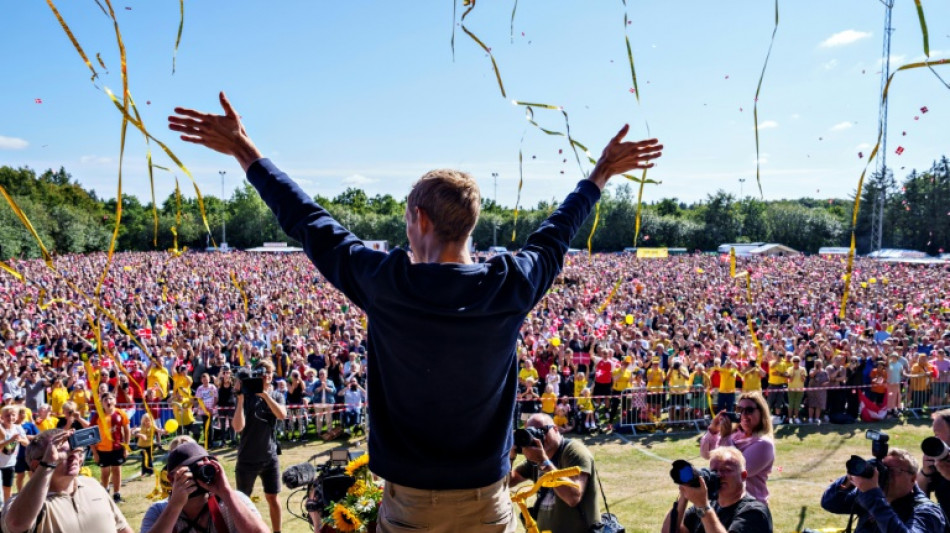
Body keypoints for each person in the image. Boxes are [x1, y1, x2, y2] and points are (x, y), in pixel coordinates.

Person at [169, 92, 661, 532]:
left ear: (420, 219)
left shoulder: (389, 284)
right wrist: (599, 174)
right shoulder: (510, 283)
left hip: (411, 509)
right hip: (489, 503)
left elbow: (309, 222)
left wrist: (245, 150)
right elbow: (557, 231)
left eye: (407, 217)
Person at [1, 428, 133, 533]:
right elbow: (16, 524)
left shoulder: (92, 485)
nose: (74, 456)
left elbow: (121, 528)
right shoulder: (23, 503)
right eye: (62, 451)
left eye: (77, 451)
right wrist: (48, 464)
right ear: (36, 465)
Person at [139, 440, 270, 533]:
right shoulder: (158, 511)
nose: (197, 476)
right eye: (189, 471)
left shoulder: (233, 502)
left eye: (203, 468)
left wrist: (226, 493)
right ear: (171, 479)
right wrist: (175, 506)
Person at [510, 414, 601, 533]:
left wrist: (544, 462)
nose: (539, 437)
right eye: (532, 433)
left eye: (542, 431)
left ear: (556, 428)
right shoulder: (537, 459)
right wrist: (510, 456)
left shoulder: (574, 452)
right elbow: (508, 482)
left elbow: (573, 497)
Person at [821, 447, 945, 533]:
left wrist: (874, 498)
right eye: (882, 470)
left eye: (892, 471)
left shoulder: (927, 511)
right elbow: (830, 503)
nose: (884, 475)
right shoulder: (872, 496)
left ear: (913, 478)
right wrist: (849, 479)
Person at [662, 447, 773, 533]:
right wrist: (684, 496)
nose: (719, 475)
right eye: (714, 471)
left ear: (743, 476)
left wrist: (703, 506)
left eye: (726, 470)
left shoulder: (755, 512)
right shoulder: (706, 507)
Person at [232, 360, 287, 533]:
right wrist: (240, 400)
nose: (267, 375)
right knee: (242, 501)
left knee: (272, 497)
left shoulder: (276, 395)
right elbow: (237, 427)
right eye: (263, 372)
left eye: (270, 372)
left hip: (269, 456)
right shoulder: (247, 397)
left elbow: (282, 415)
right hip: (247, 458)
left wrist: (265, 395)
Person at [700, 391, 774, 503]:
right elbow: (705, 454)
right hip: (724, 503)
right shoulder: (734, 434)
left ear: (761, 413)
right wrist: (713, 430)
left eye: (749, 410)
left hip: (750, 506)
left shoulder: (764, 444)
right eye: (739, 410)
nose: (744, 414)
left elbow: (736, 470)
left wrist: (725, 438)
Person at [90, 391, 131, 503]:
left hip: (117, 448)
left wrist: (126, 447)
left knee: (117, 470)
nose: (108, 401)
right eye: (105, 400)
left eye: (110, 399)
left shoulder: (120, 413)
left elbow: (127, 430)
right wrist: (94, 452)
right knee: (105, 472)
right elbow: (91, 434)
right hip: (102, 449)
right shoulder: (98, 416)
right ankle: (105, 490)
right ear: (102, 403)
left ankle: (117, 494)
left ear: (115, 400)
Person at [917, 408, 950, 526]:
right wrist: (925, 473)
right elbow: (919, 498)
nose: (935, 439)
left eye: (938, 434)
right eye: (934, 434)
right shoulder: (940, 458)